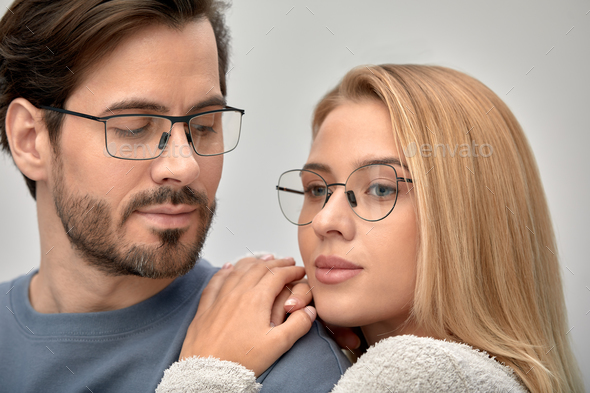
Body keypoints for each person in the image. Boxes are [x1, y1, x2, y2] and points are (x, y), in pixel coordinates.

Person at [157, 64, 585, 392]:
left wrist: (207, 370)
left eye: (380, 188)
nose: (325, 220)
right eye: (317, 189)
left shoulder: (420, 373)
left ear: (468, 217)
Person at [0, 1, 350, 391]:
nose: (185, 167)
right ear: (30, 140)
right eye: (134, 127)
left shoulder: (280, 360)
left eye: (203, 125)